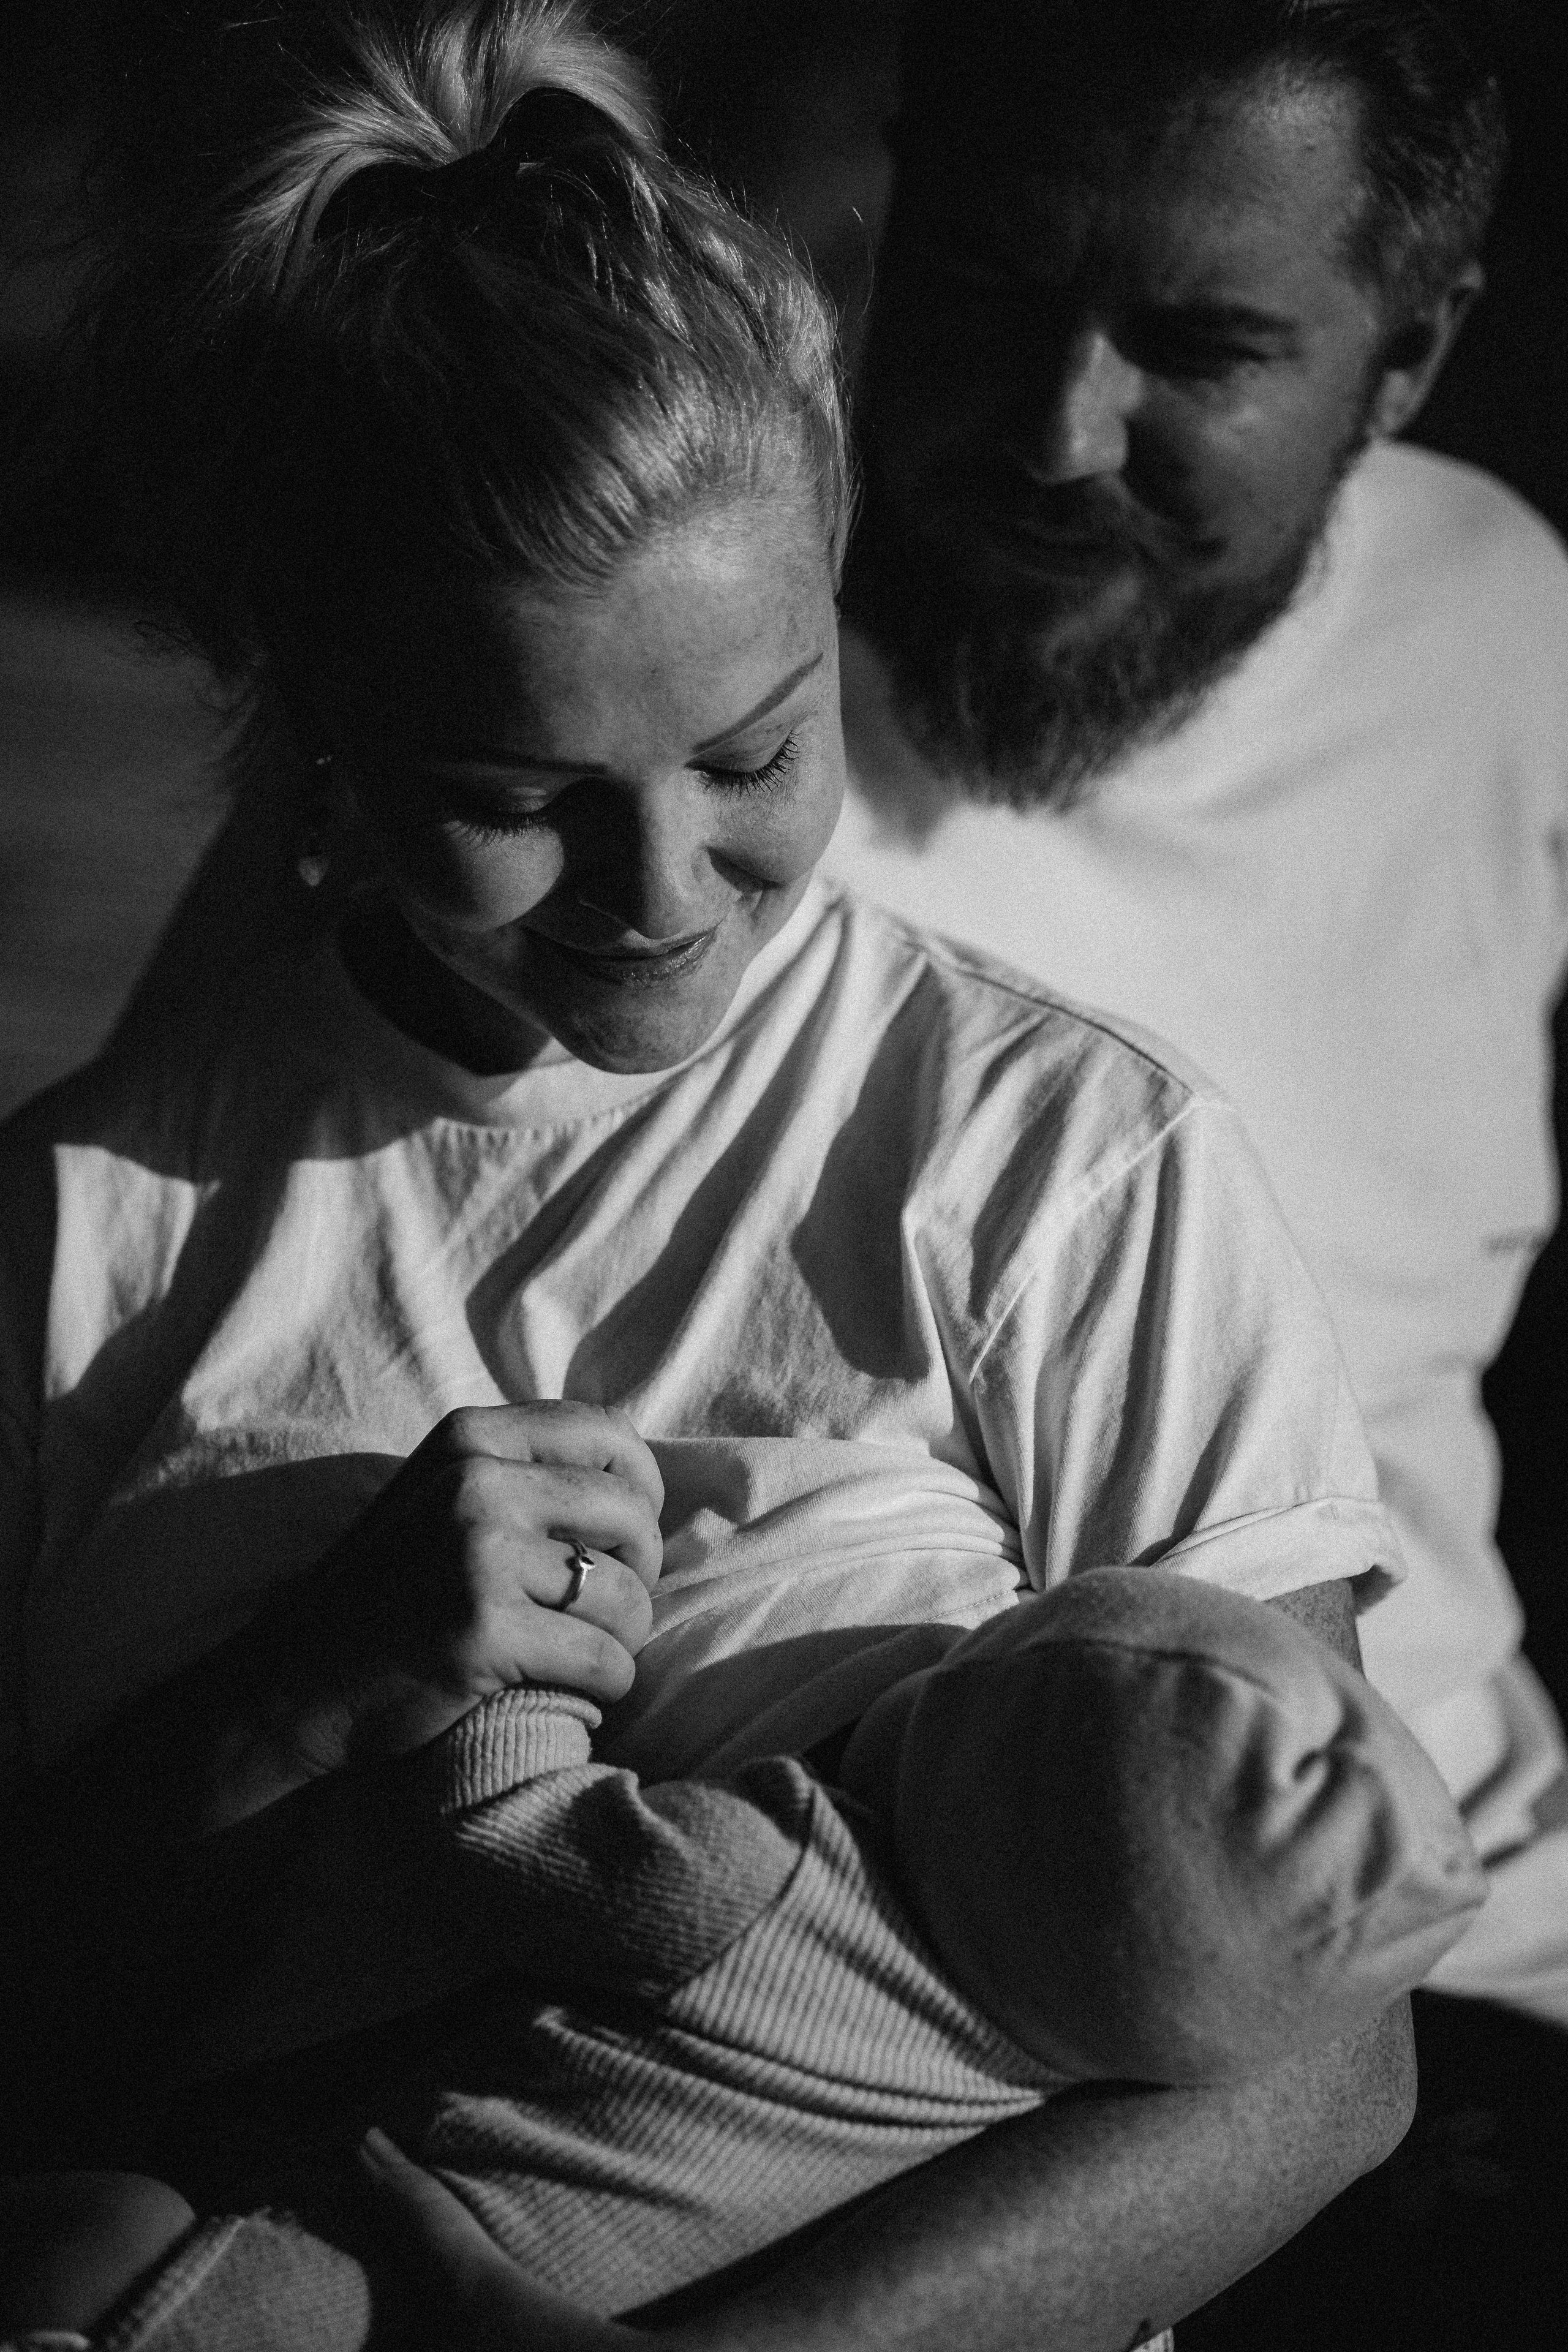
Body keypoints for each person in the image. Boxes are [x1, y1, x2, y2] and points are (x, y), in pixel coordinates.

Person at [0, 3, 1416, 2345]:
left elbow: (1318, 2057)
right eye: (511, 790)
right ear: (311, 717)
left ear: (834, 572)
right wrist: (306, 1695)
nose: (658, 886)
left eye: (753, 750)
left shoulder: (1059, 1161)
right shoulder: (80, 1232)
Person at [829, 0, 1568, 2029]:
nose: (1061, 429)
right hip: (906, 1995)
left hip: (1476, 1940)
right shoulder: (634, 682)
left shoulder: (1500, 620)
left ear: (1407, 358)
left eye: (1204, 351)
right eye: (987, 285)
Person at [1, 1569, 1482, 2351]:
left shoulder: (762, 1887)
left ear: (940, 1743)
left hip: (330, 2297)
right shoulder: (1035, 2085)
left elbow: (502, 1825)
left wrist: (529, 1674)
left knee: (93, 2226)